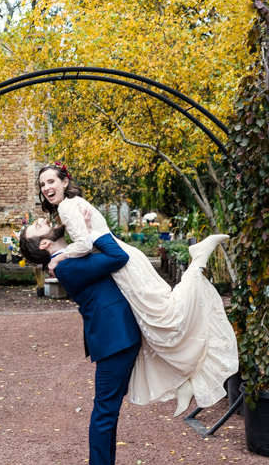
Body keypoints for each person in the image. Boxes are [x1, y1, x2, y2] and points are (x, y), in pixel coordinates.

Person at [27, 162, 239, 417]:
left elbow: (86, 244)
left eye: (51, 181)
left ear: (64, 181)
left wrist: (59, 257)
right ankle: (187, 379)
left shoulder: (67, 207)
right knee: (154, 324)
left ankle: (198, 261)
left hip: (121, 262)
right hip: (123, 261)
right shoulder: (70, 207)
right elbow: (86, 243)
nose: (47, 187)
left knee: (163, 315)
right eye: (42, 184)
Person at [20, 214, 144, 465]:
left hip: (119, 335)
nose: (41, 219)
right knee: (105, 411)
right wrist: (93, 230)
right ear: (46, 242)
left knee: (110, 409)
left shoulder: (69, 258)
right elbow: (118, 256)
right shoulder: (69, 266)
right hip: (113, 338)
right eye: (38, 226)